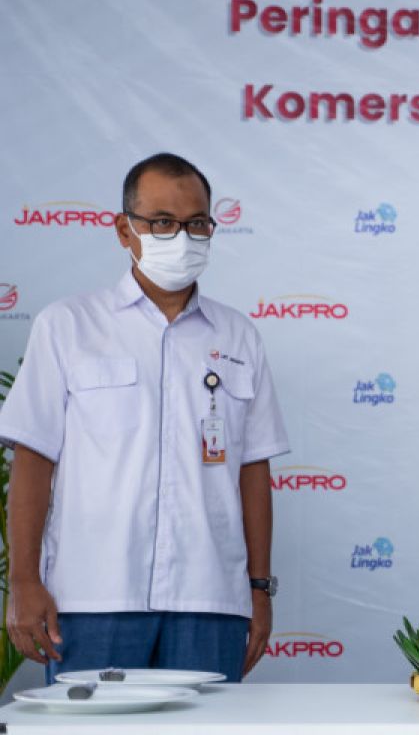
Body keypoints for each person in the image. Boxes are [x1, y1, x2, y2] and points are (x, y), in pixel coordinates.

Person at [0, 153, 288, 682]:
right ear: (124, 230)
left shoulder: (239, 336)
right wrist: (23, 582)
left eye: (196, 222)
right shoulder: (67, 326)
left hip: (210, 599)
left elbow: (253, 471)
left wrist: (259, 589)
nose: (181, 236)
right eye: (162, 222)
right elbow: (34, 460)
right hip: (91, 597)